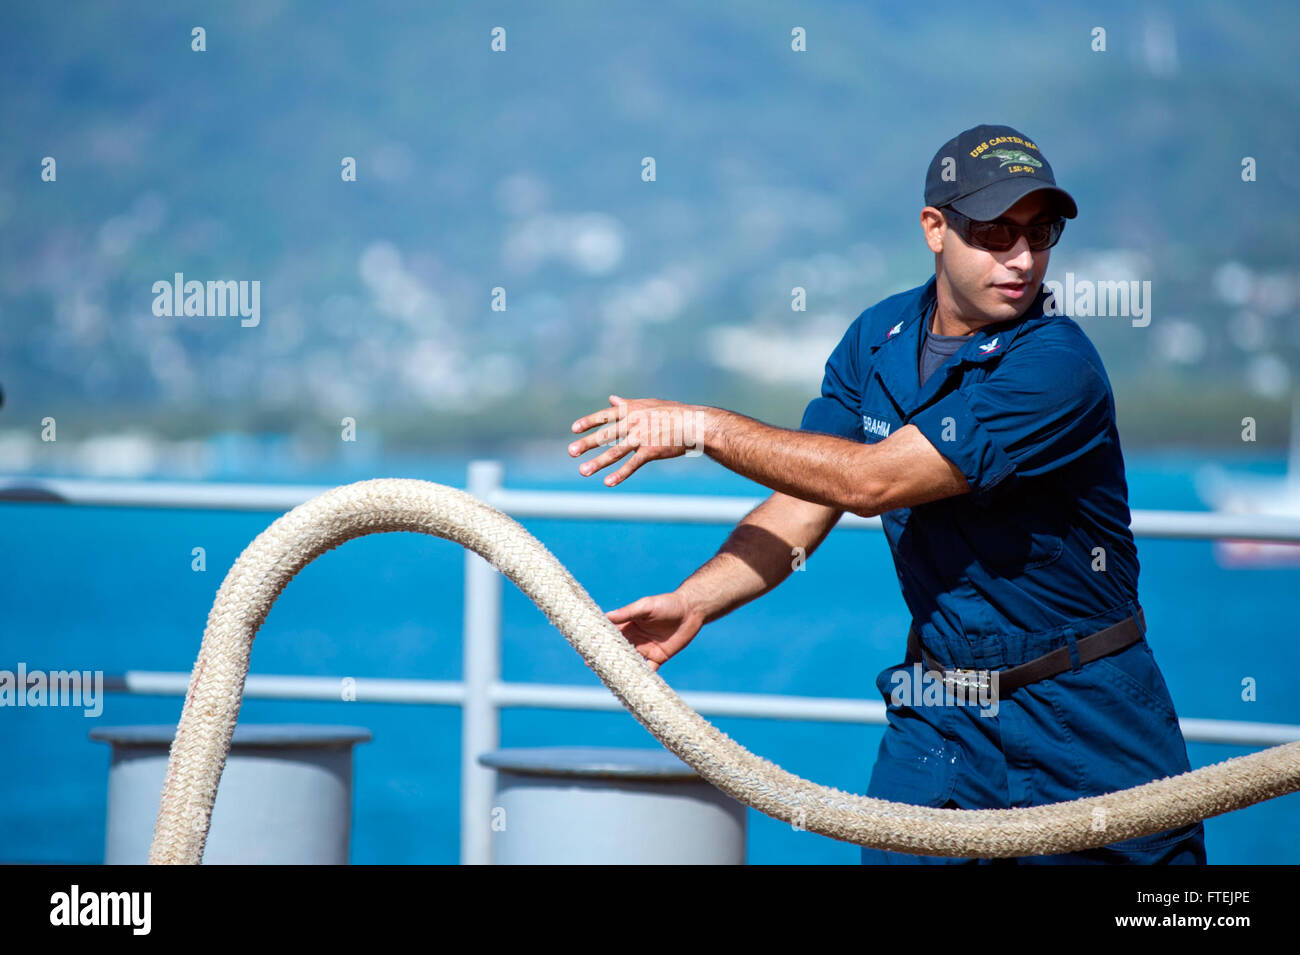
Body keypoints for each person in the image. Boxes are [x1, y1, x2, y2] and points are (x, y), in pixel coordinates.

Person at [566, 123, 1205, 865]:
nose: (1023, 257)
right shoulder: (878, 338)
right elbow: (809, 498)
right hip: (941, 713)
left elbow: (870, 481)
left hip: (1084, 715)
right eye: (996, 231)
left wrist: (703, 427)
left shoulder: (1058, 365)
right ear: (935, 228)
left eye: (1041, 231)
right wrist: (697, 599)